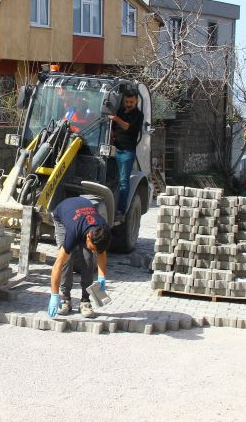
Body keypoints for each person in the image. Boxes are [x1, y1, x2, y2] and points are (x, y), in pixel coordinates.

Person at [48, 196, 111, 319]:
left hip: (83, 211)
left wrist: (102, 278)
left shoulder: (103, 230)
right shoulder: (73, 232)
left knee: (88, 260)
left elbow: (101, 253)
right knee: (67, 259)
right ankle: (65, 299)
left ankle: (85, 300)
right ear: (88, 237)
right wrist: (54, 296)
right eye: (92, 247)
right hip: (63, 213)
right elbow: (57, 266)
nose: (94, 251)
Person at [110, 88, 144, 221]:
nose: (129, 104)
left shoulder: (138, 115)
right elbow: (114, 127)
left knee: (124, 181)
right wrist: (112, 134)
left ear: (136, 101)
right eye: (126, 101)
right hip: (114, 150)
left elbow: (126, 127)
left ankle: (121, 211)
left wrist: (116, 119)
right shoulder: (120, 111)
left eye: (131, 102)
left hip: (126, 152)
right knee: (112, 179)